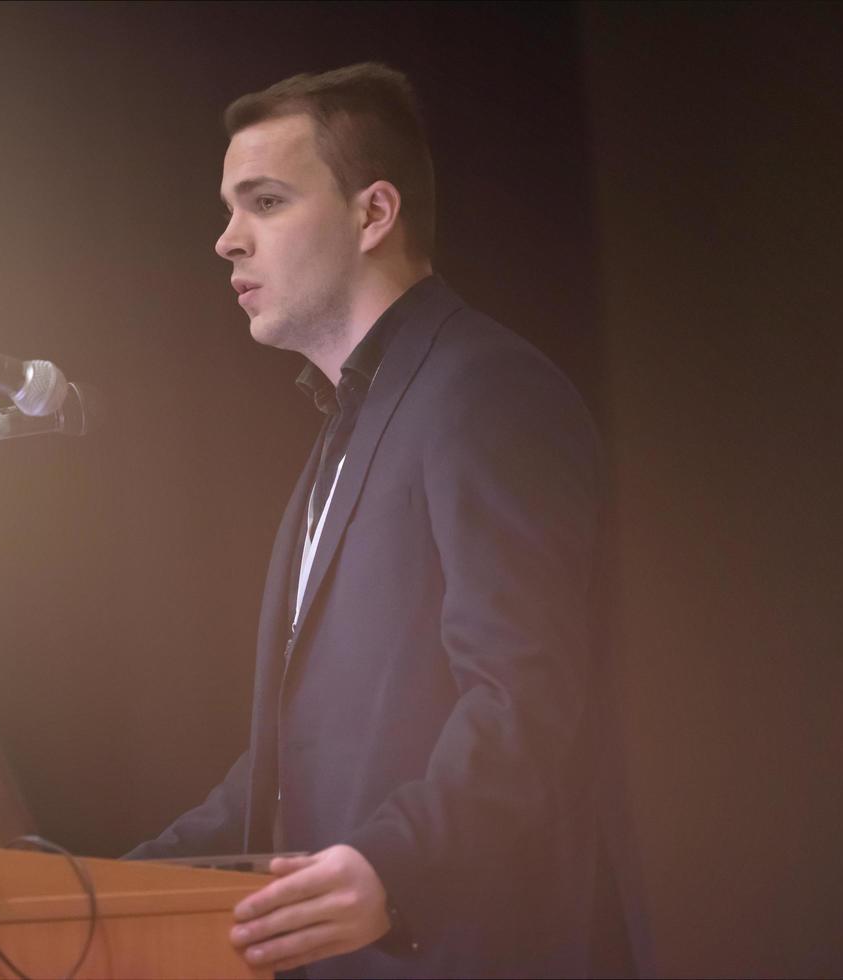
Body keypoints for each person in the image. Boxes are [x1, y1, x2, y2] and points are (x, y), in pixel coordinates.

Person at [126, 63, 637, 978]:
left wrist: (394, 866)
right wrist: (96, 886)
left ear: (373, 214)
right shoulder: (348, 430)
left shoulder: (484, 388)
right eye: (229, 207)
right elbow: (293, 763)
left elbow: (526, 697)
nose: (226, 241)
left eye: (266, 202)